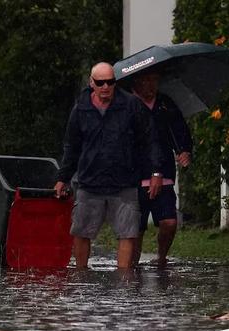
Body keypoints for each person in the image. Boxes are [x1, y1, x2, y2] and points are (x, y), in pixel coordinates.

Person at [54, 62, 164, 269]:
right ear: (91, 83)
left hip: (124, 182)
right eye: (100, 82)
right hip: (89, 181)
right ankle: (81, 273)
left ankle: (124, 278)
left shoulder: (131, 105)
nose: (106, 87)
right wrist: (63, 178)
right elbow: (72, 146)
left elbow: (150, 140)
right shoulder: (80, 109)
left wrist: (156, 171)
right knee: (81, 230)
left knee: (128, 232)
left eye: (110, 82)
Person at [131, 71, 193, 267]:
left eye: (155, 80)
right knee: (136, 228)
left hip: (164, 174)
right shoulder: (127, 105)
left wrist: (184, 151)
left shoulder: (166, 104)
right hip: (135, 177)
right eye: (146, 81)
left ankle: (161, 257)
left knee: (169, 222)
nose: (151, 85)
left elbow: (180, 131)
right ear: (137, 83)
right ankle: (132, 265)